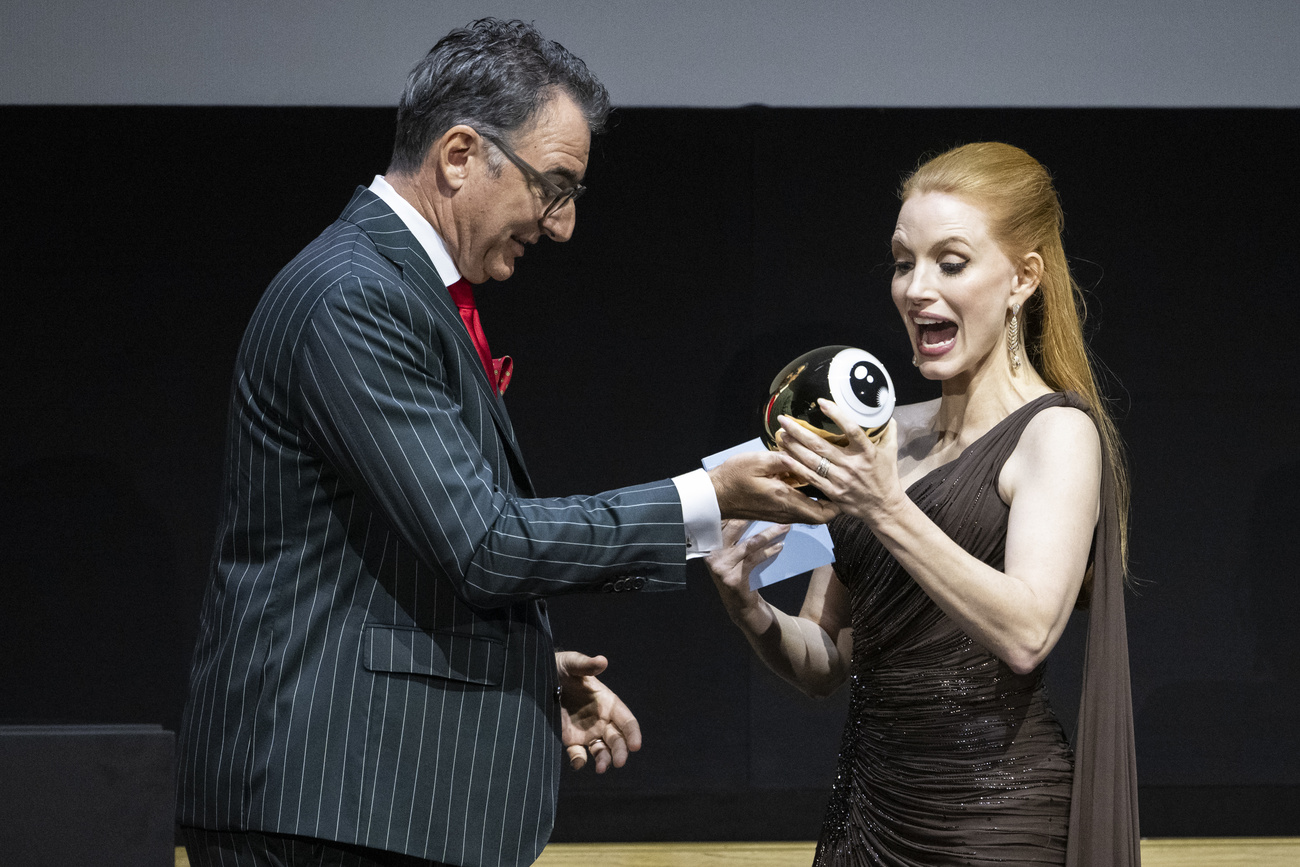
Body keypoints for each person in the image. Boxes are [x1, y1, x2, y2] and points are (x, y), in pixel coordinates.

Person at [176, 18, 833, 867]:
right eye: (553, 187)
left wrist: (522, 672)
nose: (561, 225)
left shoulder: (389, 289)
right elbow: (484, 543)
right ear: (459, 155)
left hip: (358, 799)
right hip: (325, 806)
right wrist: (710, 497)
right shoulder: (355, 297)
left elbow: (383, 570)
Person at [707, 142, 1139, 866]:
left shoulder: (1056, 433)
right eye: (904, 262)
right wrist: (747, 604)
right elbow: (825, 661)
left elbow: (1028, 632)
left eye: (951, 262)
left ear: (1023, 278)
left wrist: (885, 507)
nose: (916, 288)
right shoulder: (885, 437)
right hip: (865, 818)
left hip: (993, 824)